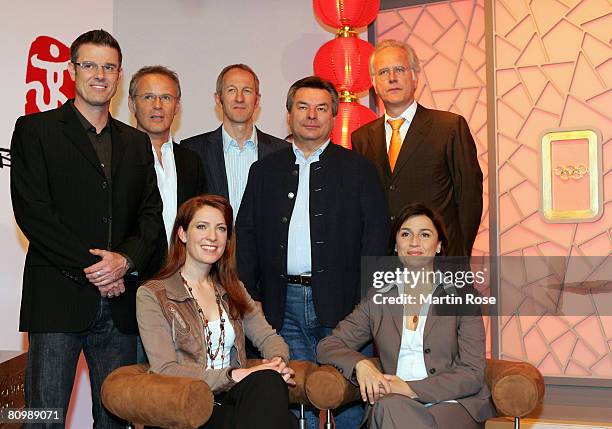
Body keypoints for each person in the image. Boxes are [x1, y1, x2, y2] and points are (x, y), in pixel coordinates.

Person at [10, 29, 165, 427]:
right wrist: (98, 269)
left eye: (109, 66)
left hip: (120, 306)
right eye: (90, 64)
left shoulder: (135, 142)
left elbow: (151, 217)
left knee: (114, 419)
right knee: (43, 417)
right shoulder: (35, 131)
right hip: (57, 299)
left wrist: (124, 260)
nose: (100, 74)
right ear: (72, 70)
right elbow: (34, 215)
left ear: (119, 74)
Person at [236, 76, 389, 428]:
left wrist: (364, 303)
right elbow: (246, 235)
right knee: (291, 399)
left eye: (321, 108)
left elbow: (376, 240)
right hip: (280, 303)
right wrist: (250, 297)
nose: (311, 115)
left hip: (345, 306)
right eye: (302, 107)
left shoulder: (359, 170)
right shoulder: (264, 171)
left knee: (349, 399)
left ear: (334, 117)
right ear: (289, 114)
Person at [317, 203, 495, 429]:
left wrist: (410, 389)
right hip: (393, 404)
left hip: (452, 405)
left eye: (425, 234)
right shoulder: (378, 298)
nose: (414, 242)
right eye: (406, 234)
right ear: (396, 245)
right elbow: (328, 345)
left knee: (392, 410)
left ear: (438, 245)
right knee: (391, 408)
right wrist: (360, 364)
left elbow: (472, 373)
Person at [137, 194, 297, 429]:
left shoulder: (234, 289)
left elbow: (269, 338)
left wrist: (277, 362)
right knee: (285, 422)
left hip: (231, 399)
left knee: (268, 382)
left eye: (221, 229)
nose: (212, 237)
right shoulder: (153, 294)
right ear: (182, 234)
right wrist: (232, 375)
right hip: (185, 403)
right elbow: (165, 369)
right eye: (202, 227)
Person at [351, 39, 483, 256]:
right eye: (383, 72)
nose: (391, 78)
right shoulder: (362, 138)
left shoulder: (449, 127)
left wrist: (456, 259)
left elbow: (469, 198)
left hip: (438, 262)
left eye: (399, 69)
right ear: (374, 83)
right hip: (384, 265)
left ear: (414, 77)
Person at [182, 64, 287, 215]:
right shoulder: (192, 151)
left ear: (257, 100)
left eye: (247, 91)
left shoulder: (281, 152)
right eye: (231, 90)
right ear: (218, 99)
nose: (239, 98)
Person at [128, 65, 207, 243]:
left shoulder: (191, 161)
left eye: (166, 97)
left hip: (182, 267)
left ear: (177, 106)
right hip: (133, 269)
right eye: (148, 97)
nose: (157, 105)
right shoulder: (118, 157)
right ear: (132, 104)